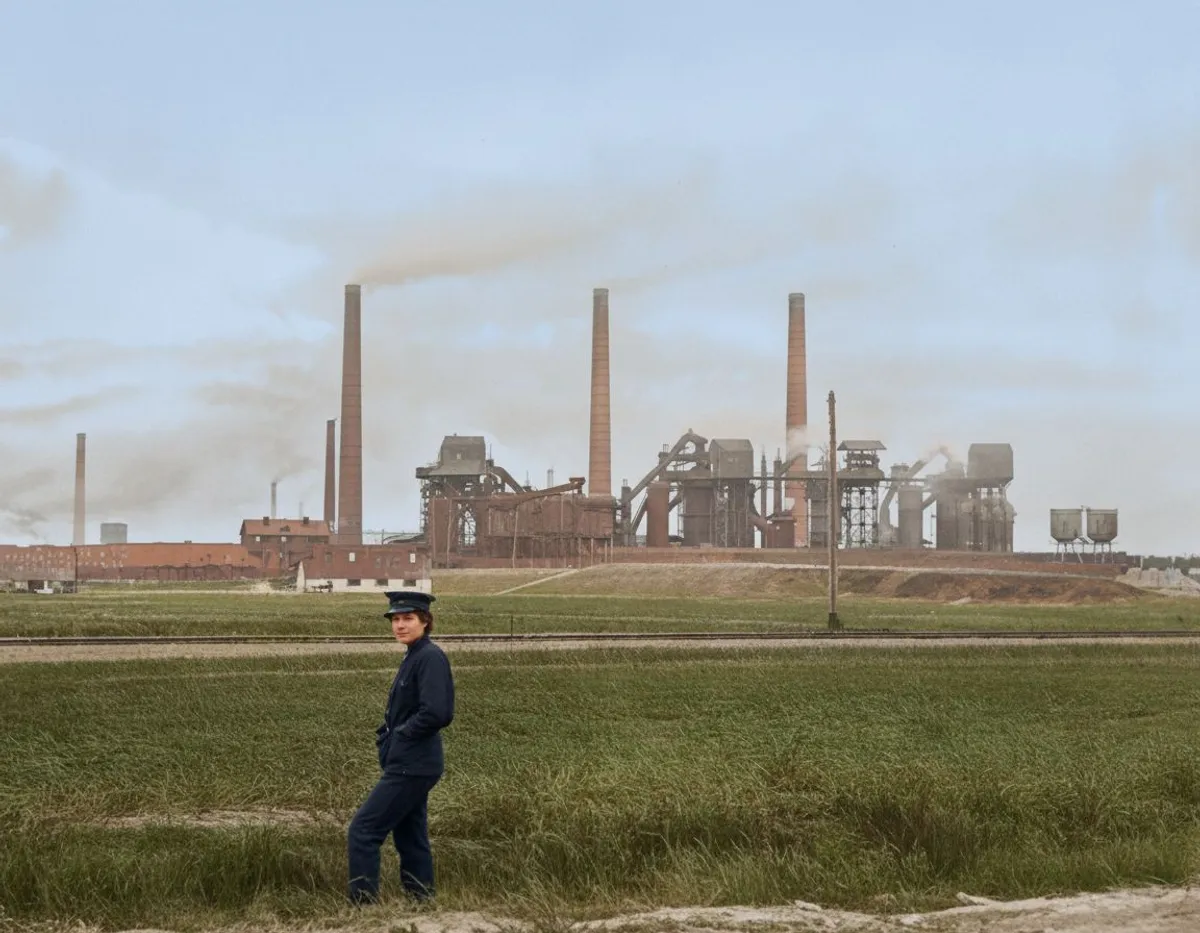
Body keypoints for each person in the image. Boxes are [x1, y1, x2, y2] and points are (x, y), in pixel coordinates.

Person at [347, 590, 455, 905]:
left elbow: (438, 712)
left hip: (413, 764)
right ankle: (421, 902)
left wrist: (402, 735)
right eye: (395, 619)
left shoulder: (429, 657)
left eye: (408, 618)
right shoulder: (414, 655)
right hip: (411, 762)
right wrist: (388, 734)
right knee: (411, 836)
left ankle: (363, 908)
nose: (400, 625)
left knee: (363, 831)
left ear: (425, 621)